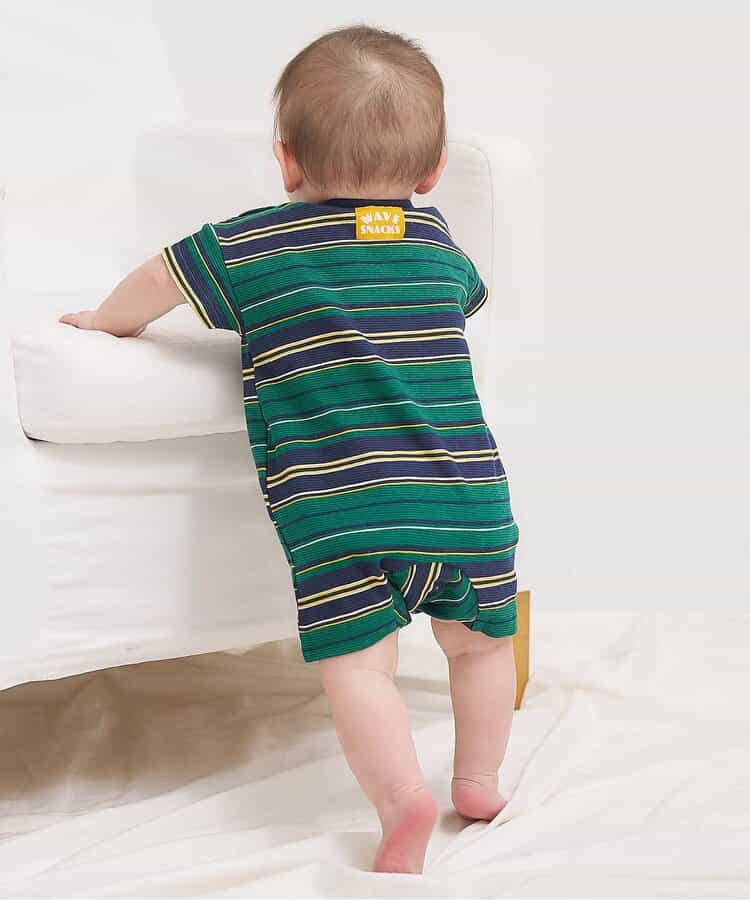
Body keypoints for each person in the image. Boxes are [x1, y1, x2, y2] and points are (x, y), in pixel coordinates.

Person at [60, 25, 520, 875]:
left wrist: (103, 322)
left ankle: (402, 802)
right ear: (431, 172)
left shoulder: (254, 245)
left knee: (361, 669)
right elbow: (463, 301)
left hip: (343, 517)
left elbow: (160, 278)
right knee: (483, 645)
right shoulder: (437, 245)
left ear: (286, 162)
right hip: (470, 505)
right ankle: (480, 780)